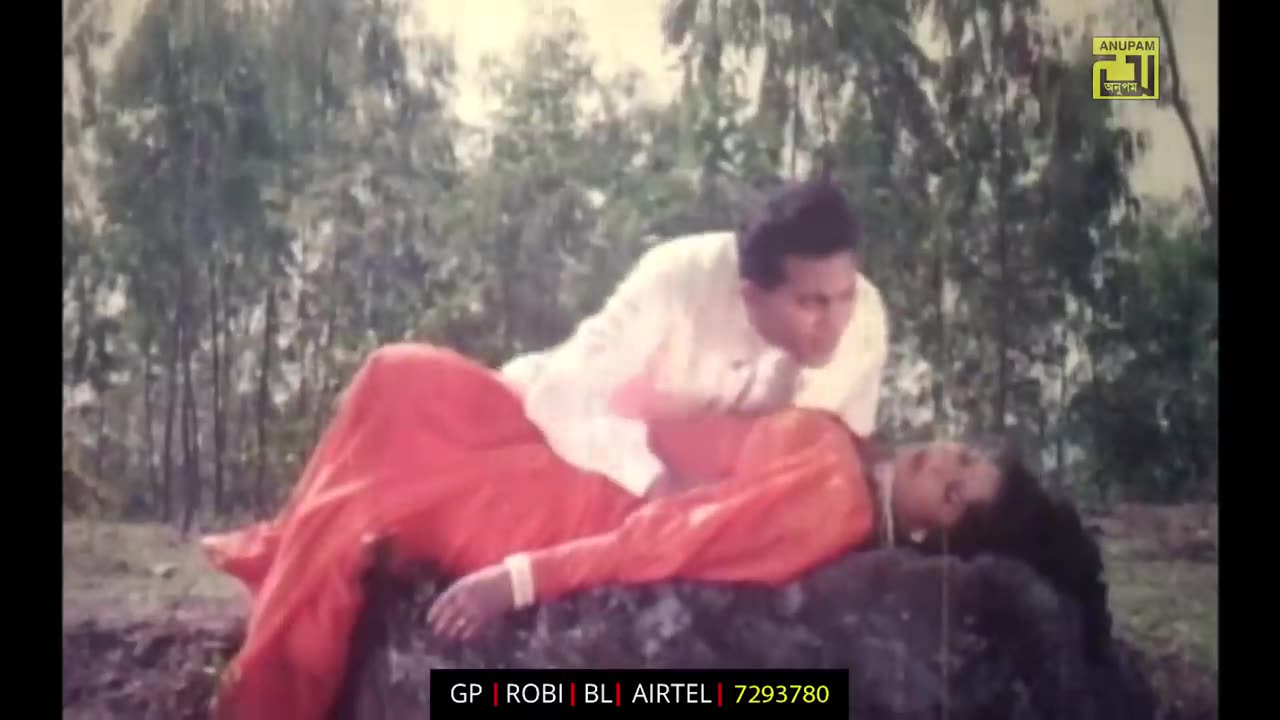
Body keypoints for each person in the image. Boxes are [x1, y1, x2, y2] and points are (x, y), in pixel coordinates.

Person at [202, 179, 897, 720]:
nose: (834, 321)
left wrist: (695, 501)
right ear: (750, 294)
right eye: (812, 304)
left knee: (395, 487)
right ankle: (285, 627)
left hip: (669, 505)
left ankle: (300, 601)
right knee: (397, 380)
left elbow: (830, 456)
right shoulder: (679, 277)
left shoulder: (862, 321)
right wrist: (656, 480)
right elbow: (567, 393)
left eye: (843, 296)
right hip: (580, 442)